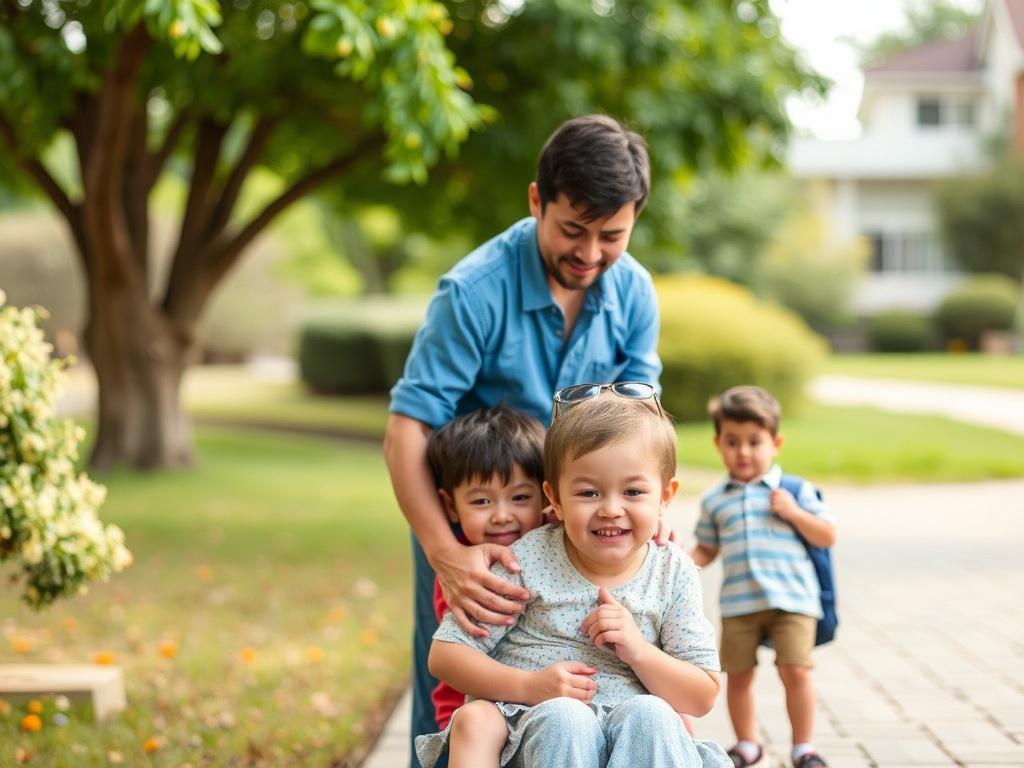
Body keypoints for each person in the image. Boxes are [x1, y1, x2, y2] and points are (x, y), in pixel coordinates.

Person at [383, 114, 662, 761]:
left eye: (612, 236)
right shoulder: (473, 292)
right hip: (477, 531)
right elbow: (408, 427)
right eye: (572, 230)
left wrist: (653, 513)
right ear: (537, 200)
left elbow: (643, 427)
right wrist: (443, 550)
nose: (589, 254)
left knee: (578, 689)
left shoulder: (635, 294)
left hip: (576, 526)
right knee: (455, 697)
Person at [416, 385, 731, 768]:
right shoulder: (525, 561)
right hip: (544, 728)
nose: (611, 509)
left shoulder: (672, 569)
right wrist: (530, 687)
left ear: (665, 497)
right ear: (556, 499)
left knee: (653, 715)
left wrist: (638, 650)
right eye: (588, 493)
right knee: (565, 716)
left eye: (633, 491)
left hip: (635, 733)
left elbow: (702, 696)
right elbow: (447, 654)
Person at [690, 386, 837, 768]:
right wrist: (679, 565)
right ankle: (748, 743)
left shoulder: (794, 491)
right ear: (717, 443)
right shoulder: (715, 500)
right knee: (737, 676)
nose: (743, 452)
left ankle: (804, 746)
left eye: (755, 442)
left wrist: (794, 513)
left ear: (776, 443)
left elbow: (827, 535)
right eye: (732, 441)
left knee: (795, 670)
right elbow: (706, 548)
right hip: (740, 604)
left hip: (792, 600)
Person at [425, 405, 547, 734]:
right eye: (482, 501)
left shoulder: (556, 542)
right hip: (474, 704)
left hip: (546, 702)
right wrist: (532, 688)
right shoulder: (464, 571)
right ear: (450, 506)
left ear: (547, 497)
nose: (502, 515)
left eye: (520, 497)